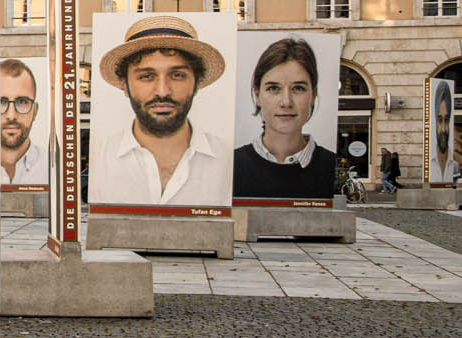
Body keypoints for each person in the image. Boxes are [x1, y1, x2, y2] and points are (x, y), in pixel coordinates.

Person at [89, 15, 231, 208]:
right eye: (147, 76)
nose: (163, 91)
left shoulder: (227, 159)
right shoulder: (99, 159)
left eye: (178, 75)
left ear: (197, 83)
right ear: (124, 84)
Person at [233, 37, 336, 201]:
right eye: (274, 88)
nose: (286, 102)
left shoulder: (331, 166)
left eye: (298, 88)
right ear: (257, 95)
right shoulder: (230, 166)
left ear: (313, 95)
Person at [0, 59, 46, 186]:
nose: (11, 115)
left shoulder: (55, 168)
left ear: (35, 111)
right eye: (2, 102)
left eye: (22, 102)